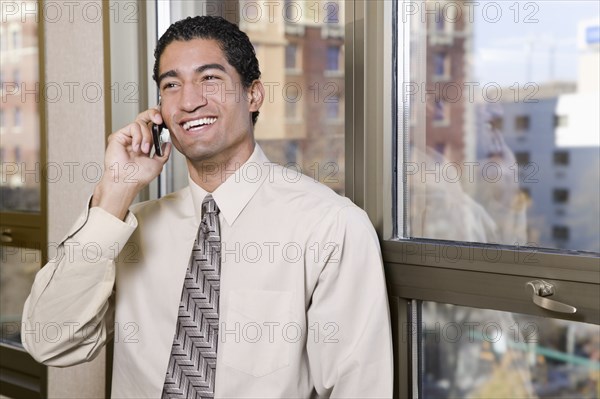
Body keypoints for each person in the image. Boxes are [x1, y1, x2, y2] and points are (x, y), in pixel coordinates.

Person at [22, 16, 393, 398]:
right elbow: (50, 341)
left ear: (253, 95)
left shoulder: (329, 225)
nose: (189, 100)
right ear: (159, 112)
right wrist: (113, 194)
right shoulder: (132, 228)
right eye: (171, 85)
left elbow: (359, 387)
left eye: (210, 79)